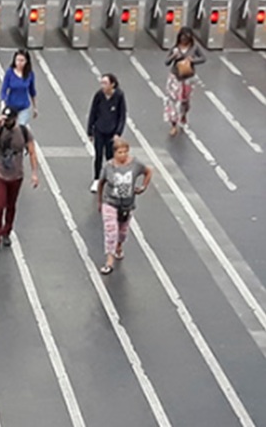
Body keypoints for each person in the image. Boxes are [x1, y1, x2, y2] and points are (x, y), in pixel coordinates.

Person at [0, 105, 39, 254]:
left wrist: (34, 173)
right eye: (5, 119)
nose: (7, 122)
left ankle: (7, 230)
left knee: (11, 205)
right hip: (0, 174)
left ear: (15, 118)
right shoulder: (0, 130)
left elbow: (32, 152)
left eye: (9, 119)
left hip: (16, 175)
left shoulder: (24, 132)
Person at [96, 137, 152, 275]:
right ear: (114, 153)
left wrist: (144, 186)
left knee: (122, 232)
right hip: (110, 202)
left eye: (125, 152)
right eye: (120, 152)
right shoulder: (109, 167)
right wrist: (100, 201)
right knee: (111, 231)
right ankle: (109, 261)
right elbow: (101, 183)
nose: (123, 155)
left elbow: (148, 171)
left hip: (127, 204)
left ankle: (119, 246)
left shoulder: (135, 164)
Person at [86, 73, 127, 192]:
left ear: (112, 84)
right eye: (102, 83)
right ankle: (96, 179)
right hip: (99, 129)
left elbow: (122, 116)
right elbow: (93, 112)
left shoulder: (119, 96)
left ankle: (110, 178)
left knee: (110, 156)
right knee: (98, 155)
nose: (102, 86)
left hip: (112, 132)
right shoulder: (99, 95)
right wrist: (90, 130)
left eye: (105, 83)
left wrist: (118, 133)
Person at [164, 27, 205, 136]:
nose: (184, 40)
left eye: (186, 38)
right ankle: (173, 124)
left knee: (185, 100)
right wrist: (173, 56)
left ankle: (183, 114)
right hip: (175, 76)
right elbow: (166, 62)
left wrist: (193, 60)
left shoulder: (194, 48)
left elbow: (203, 58)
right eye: (182, 37)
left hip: (188, 77)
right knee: (172, 101)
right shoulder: (175, 48)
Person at [0, 49, 38, 126]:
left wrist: (35, 107)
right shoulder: (10, 73)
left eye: (22, 60)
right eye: (17, 60)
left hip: (24, 107)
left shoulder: (30, 74)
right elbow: (4, 90)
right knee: (8, 127)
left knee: (21, 127)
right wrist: (3, 103)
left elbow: (32, 91)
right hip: (11, 106)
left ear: (26, 61)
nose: (19, 63)